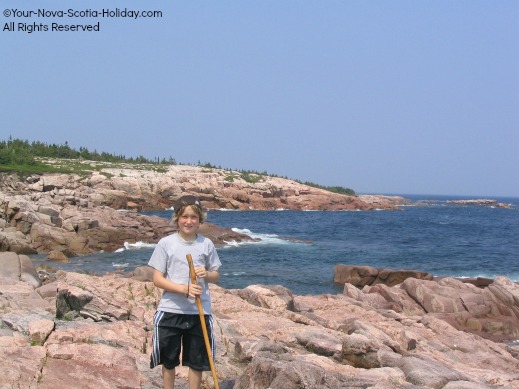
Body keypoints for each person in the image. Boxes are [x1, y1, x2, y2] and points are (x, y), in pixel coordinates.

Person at [149, 195, 221, 389]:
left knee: (197, 361)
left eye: (193, 217)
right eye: (184, 217)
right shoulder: (166, 243)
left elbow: (216, 275)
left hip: (199, 312)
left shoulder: (206, 244)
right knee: (169, 359)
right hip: (171, 310)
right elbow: (157, 279)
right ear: (177, 218)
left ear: (200, 220)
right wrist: (183, 289)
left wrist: (206, 274)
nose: (189, 221)